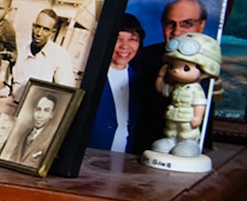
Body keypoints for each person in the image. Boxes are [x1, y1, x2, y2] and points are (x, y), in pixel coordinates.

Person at [149, 32, 221, 160]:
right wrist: (161, 77)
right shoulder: (175, 86)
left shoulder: (196, 89)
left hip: (187, 119)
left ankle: (188, 143)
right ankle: (170, 140)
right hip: (173, 116)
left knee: (186, 132)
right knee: (171, 129)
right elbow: (162, 90)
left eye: (186, 68)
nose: (176, 71)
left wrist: (198, 117)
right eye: (172, 66)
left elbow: (200, 103)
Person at [89, 13, 154, 152]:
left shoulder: (143, 82)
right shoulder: (90, 77)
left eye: (132, 39)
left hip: (124, 162)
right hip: (90, 158)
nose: (125, 46)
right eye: (117, 38)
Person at [11, 7, 78, 89]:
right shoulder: (21, 52)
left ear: (52, 32)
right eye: (38, 27)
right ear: (33, 26)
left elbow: (65, 91)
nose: (39, 33)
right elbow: (10, 83)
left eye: (45, 29)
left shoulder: (60, 56)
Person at [5, 92, 60, 168]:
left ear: (51, 114)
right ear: (34, 111)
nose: (40, 115)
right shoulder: (26, 133)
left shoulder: (52, 137)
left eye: (46, 111)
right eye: (38, 109)